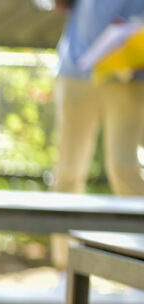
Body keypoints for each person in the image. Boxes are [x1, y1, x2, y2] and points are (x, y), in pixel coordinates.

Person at [51, 0, 144, 196]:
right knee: (68, 170)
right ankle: (59, 227)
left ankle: (137, 226)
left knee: (123, 167)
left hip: (128, 76)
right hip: (76, 70)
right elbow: (58, 5)